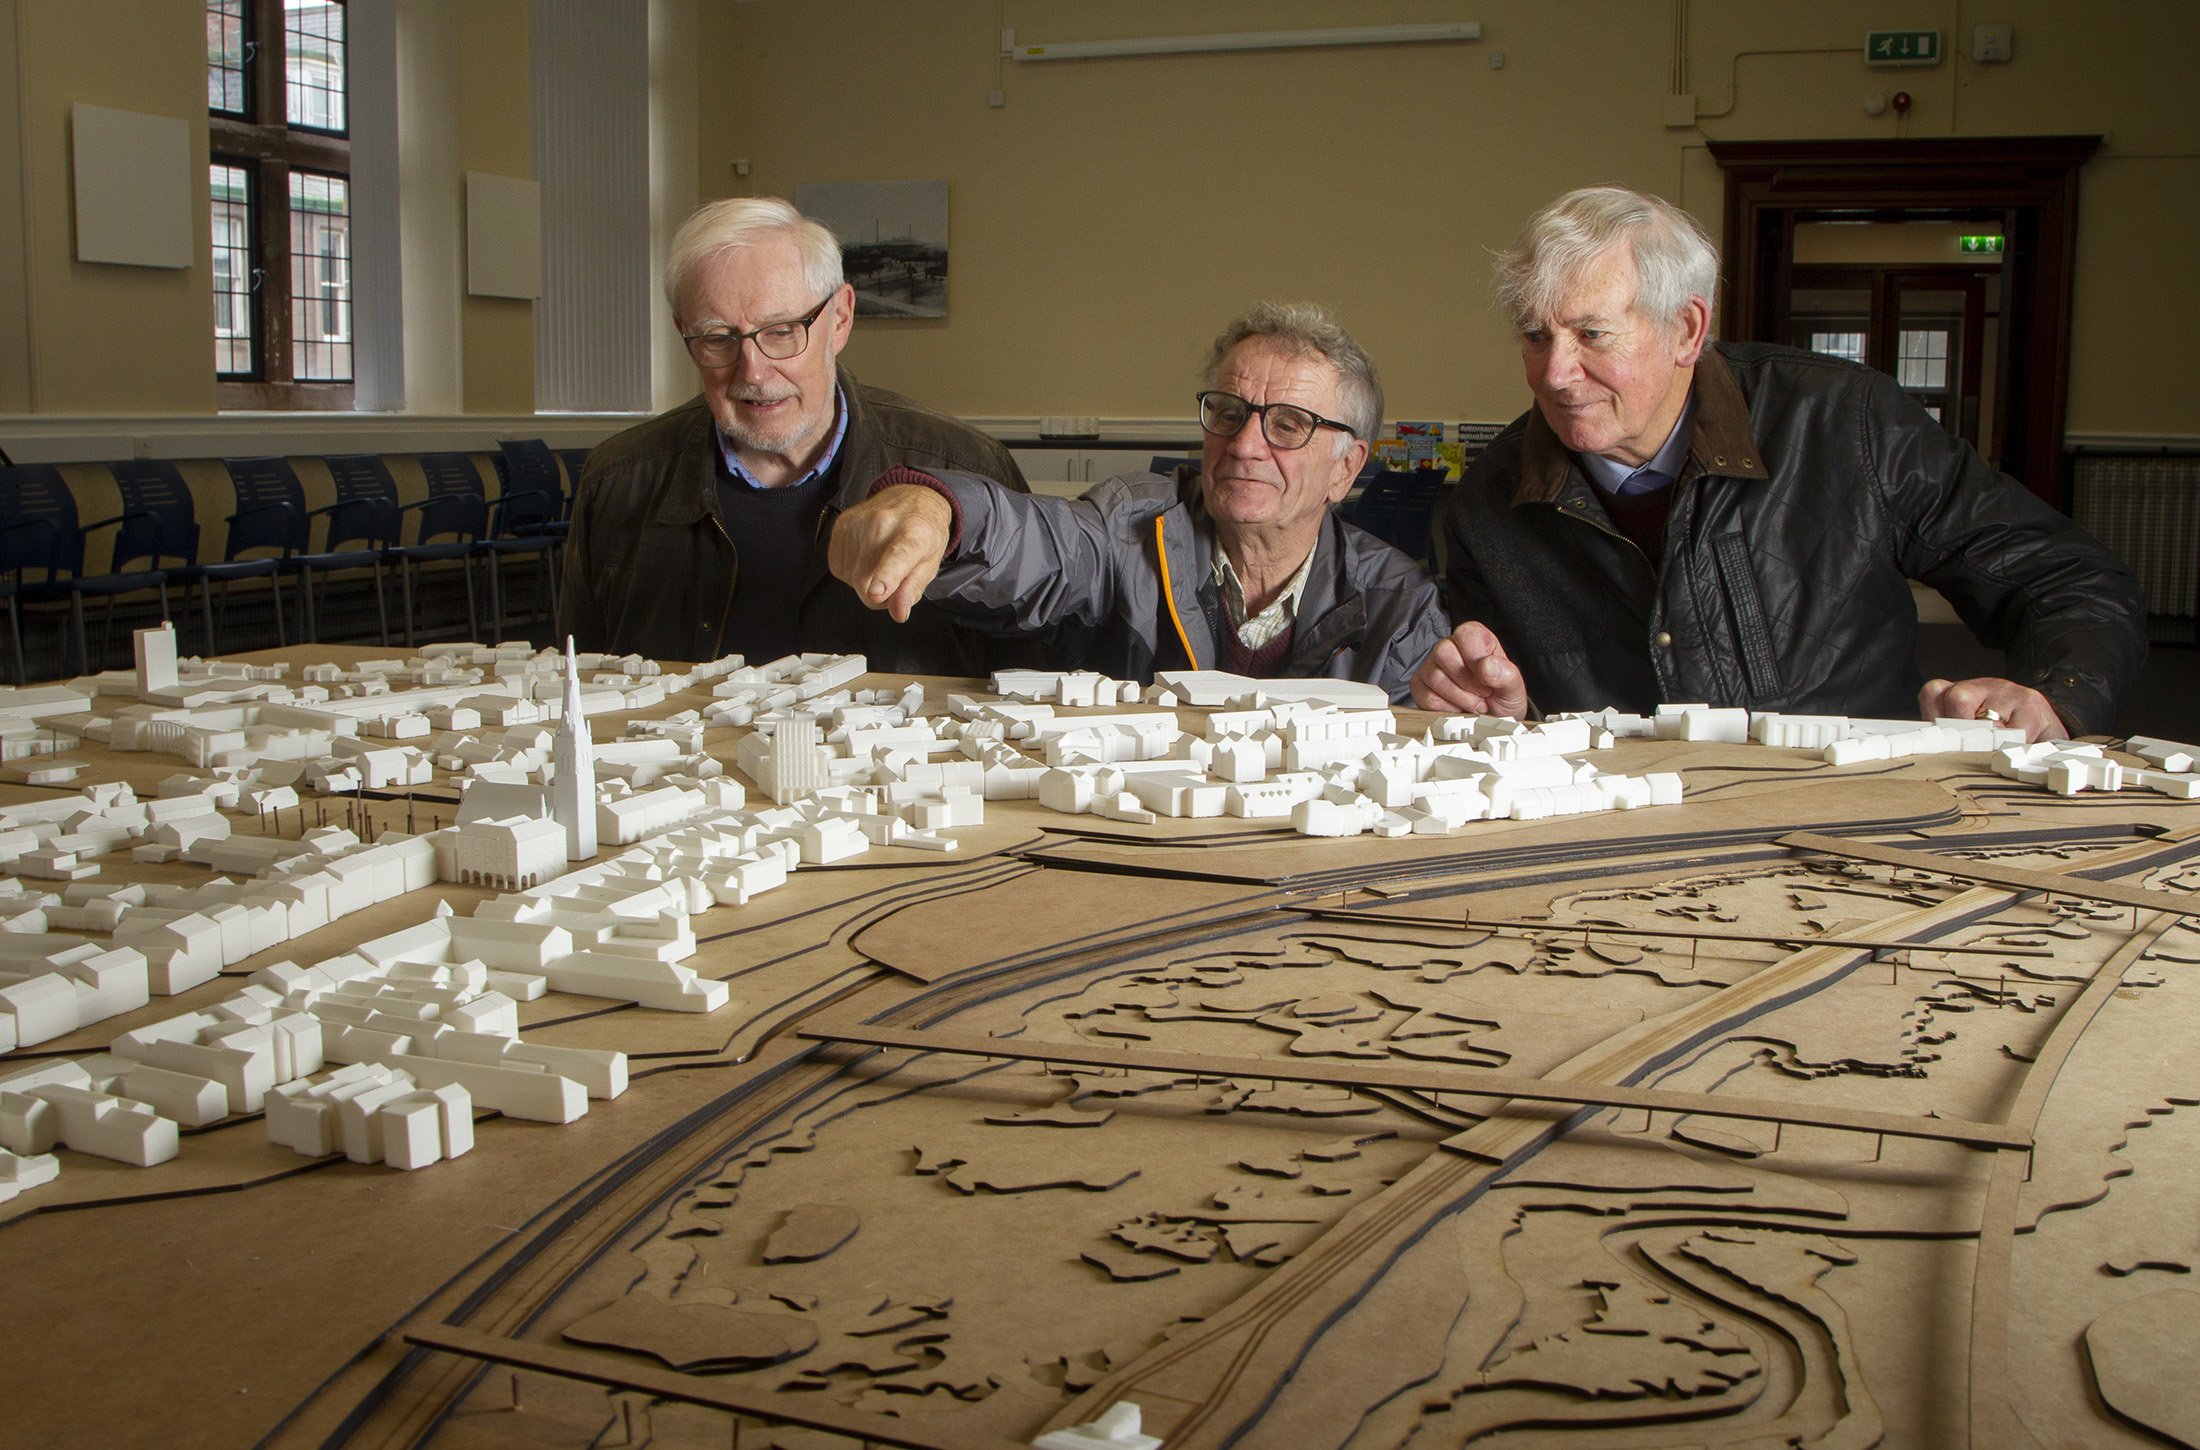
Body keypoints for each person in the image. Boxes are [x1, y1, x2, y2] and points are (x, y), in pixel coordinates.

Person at [1411, 186, 2145, 742]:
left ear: (1687, 330)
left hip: (1855, 827)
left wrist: (2054, 694)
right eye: (1536, 336)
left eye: (1593, 334)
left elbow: (2071, 582)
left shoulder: (1848, 423)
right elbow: (1508, 709)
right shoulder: (1487, 501)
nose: (1556, 373)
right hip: (1627, 851)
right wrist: (1496, 714)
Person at [825, 303, 1450, 704]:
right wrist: (942, 510)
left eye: (1288, 425)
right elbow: (1043, 542)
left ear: (1346, 468)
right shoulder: (1133, 524)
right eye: (1228, 414)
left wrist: (1489, 719)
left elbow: (1441, 753)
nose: (1245, 446)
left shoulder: (1399, 603)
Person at [557, 196, 1031, 670]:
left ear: (840, 318)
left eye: (781, 331)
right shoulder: (616, 482)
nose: (755, 373)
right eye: (717, 338)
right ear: (685, 333)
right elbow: (582, 688)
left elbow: (1031, 681)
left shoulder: (965, 469)